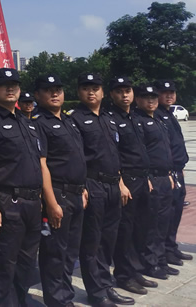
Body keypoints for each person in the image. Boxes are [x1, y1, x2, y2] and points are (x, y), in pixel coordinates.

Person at [0, 67, 43, 306]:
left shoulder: (26, 122)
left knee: (26, 264)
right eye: (4, 85)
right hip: (5, 202)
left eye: (14, 84)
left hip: (31, 203)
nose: (10, 88)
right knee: (2, 264)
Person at [72, 73, 133, 306]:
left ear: (103, 92)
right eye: (86, 88)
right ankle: (96, 292)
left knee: (108, 240)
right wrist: (81, 186)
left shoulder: (108, 118)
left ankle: (106, 285)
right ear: (79, 92)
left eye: (95, 88)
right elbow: (76, 157)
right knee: (92, 242)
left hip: (113, 185)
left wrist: (120, 182)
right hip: (93, 184)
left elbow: (114, 154)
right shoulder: (75, 119)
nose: (91, 92)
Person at [33, 74, 87, 307]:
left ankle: (66, 296)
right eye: (48, 90)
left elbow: (77, 158)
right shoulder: (38, 123)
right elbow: (42, 165)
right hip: (58, 195)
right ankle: (56, 300)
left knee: (70, 252)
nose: (55, 93)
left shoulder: (68, 120)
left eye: (58, 89)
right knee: (55, 252)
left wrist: (83, 187)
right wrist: (51, 202)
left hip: (76, 193)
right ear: (38, 95)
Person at [108, 77, 157, 295]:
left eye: (127, 90)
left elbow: (141, 151)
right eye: (119, 91)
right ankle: (124, 275)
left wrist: (147, 177)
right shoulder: (110, 119)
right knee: (125, 231)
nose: (124, 95)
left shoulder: (135, 118)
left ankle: (135, 270)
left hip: (142, 179)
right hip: (127, 181)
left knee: (140, 228)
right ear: (112, 95)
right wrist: (120, 182)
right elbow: (114, 154)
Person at [135, 84, 177, 281]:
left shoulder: (158, 119)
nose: (150, 100)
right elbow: (140, 153)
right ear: (138, 100)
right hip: (151, 178)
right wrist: (146, 176)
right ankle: (149, 263)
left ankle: (160, 260)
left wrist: (169, 174)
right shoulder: (138, 121)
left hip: (164, 177)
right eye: (146, 97)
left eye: (153, 97)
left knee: (162, 222)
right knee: (150, 224)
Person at [154, 80, 192, 265]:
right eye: (165, 92)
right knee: (166, 214)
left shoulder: (169, 114)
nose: (169, 96)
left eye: (172, 92)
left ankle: (171, 246)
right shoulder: (156, 115)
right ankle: (163, 251)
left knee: (176, 211)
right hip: (167, 173)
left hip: (177, 171)